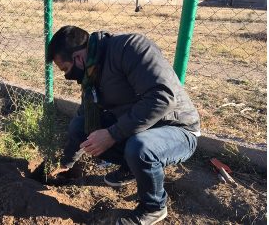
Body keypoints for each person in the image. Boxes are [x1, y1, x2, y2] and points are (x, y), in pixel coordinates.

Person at [46, 26, 200, 225]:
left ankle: (153, 207)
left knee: (139, 148)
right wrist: (66, 163)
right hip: (140, 129)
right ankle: (131, 167)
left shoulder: (130, 48)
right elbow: (84, 117)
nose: (68, 76)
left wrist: (112, 134)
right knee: (80, 127)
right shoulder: (91, 74)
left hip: (177, 129)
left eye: (66, 69)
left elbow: (162, 97)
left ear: (78, 58)